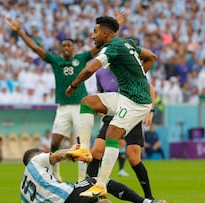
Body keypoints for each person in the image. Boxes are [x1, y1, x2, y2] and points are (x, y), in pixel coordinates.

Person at [65, 16, 157, 197]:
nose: (93, 36)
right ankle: (83, 148)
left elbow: (90, 68)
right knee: (88, 102)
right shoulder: (127, 43)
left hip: (137, 102)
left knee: (112, 134)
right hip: (125, 97)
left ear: (105, 33)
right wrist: (136, 75)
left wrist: (74, 85)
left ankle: (100, 185)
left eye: (95, 32)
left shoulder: (112, 48)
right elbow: (151, 56)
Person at [6, 16, 99, 182]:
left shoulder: (82, 58)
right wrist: (19, 31)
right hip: (63, 107)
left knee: (82, 144)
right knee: (55, 142)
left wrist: (114, 27)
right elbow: (35, 48)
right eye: (64, 46)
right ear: (61, 49)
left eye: (69, 45)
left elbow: (98, 48)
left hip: (80, 107)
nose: (66, 48)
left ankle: (81, 179)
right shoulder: (55, 61)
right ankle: (56, 175)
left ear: (74, 48)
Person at [87, 67, 156, 199]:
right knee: (96, 151)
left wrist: (150, 111)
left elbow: (149, 88)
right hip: (113, 114)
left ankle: (149, 197)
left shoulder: (128, 66)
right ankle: (91, 193)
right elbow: (101, 93)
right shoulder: (100, 73)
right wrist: (99, 111)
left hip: (132, 112)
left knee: (134, 158)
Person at [21, 146, 166, 203]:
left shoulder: (23, 190)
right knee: (100, 181)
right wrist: (72, 151)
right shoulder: (35, 160)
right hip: (67, 197)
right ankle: (147, 202)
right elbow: (56, 156)